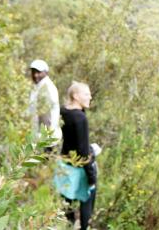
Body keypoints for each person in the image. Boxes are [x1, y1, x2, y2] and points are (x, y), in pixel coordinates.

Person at [60, 81, 97, 230]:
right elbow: (82, 151)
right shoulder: (80, 118)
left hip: (64, 164)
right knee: (87, 198)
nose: (90, 97)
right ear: (76, 96)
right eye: (86, 94)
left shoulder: (63, 112)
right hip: (79, 166)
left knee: (66, 201)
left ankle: (68, 226)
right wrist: (91, 174)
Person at [28, 59, 61, 144]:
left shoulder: (47, 88)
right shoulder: (38, 86)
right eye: (33, 72)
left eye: (39, 72)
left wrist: (43, 138)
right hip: (39, 136)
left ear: (46, 72)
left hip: (46, 138)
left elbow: (46, 115)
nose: (35, 75)